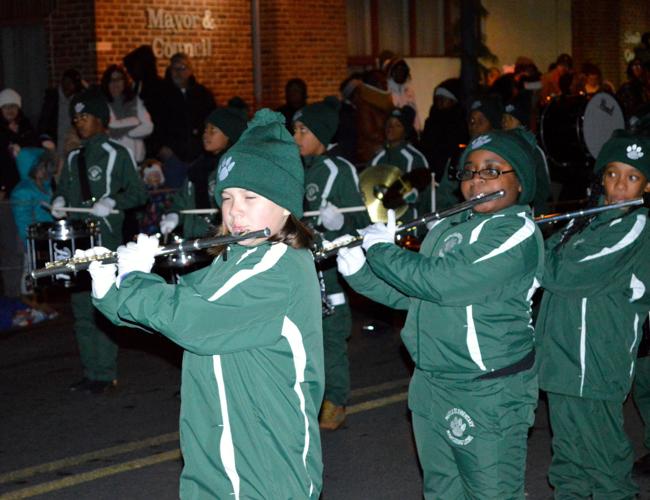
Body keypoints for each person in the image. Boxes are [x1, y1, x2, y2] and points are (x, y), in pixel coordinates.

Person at [85, 109, 324, 499]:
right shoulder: (234, 258)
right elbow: (177, 309)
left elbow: (192, 320)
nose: (236, 210)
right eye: (227, 198)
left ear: (285, 206)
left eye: (250, 197)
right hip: (213, 457)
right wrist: (109, 290)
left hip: (267, 464)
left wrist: (136, 278)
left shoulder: (280, 267)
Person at [336, 128, 543, 498]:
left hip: (485, 387)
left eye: (493, 170)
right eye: (470, 171)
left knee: (492, 493)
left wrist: (383, 251)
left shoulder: (516, 231)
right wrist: (360, 274)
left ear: (520, 182)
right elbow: (416, 295)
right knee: (441, 490)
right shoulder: (449, 226)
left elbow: (441, 282)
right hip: (432, 380)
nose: (478, 179)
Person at [536, 131, 650, 499]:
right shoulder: (583, 220)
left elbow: (564, 274)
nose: (619, 185)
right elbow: (551, 257)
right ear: (601, 176)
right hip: (562, 360)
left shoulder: (637, 226)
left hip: (596, 364)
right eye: (613, 174)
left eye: (632, 177)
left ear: (646, 185)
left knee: (606, 467)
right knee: (568, 463)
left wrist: (533, 249)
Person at [51, 88, 148, 394]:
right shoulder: (74, 157)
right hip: (77, 239)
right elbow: (65, 190)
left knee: (101, 304)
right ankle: (91, 371)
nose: (78, 122)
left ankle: (106, 373)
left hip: (105, 238)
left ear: (101, 120)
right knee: (81, 308)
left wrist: (111, 202)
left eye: (84, 116)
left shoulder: (117, 153)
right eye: (75, 117)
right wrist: (59, 200)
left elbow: (138, 193)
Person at [293, 96, 370, 430]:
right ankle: (308, 396)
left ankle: (335, 400)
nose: (296, 138)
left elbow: (362, 223)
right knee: (302, 338)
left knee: (331, 336)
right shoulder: (299, 169)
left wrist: (340, 225)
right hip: (300, 266)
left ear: (321, 135)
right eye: (294, 130)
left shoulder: (340, 169)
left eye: (302, 131)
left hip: (330, 272)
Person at [160, 106, 248, 239]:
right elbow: (182, 200)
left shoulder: (235, 169)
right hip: (194, 239)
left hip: (221, 241)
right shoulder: (197, 168)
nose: (206, 135)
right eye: (205, 129)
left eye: (213, 130)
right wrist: (174, 214)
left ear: (229, 136)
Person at [370, 106, 433, 220]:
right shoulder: (377, 158)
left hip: (408, 219)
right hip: (382, 219)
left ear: (405, 130)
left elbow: (427, 194)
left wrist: (414, 196)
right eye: (389, 124)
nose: (391, 128)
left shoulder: (414, 158)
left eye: (397, 125)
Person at [157, 53, 216, 165]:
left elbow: (212, 121)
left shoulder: (202, 94)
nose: (178, 72)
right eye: (175, 68)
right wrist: (161, 147)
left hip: (199, 155)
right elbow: (156, 124)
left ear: (190, 71)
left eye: (183, 68)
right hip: (172, 155)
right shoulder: (160, 95)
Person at [9, 147, 54, 294]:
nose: (44, 169)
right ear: (31, 168)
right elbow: (23, 220)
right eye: (40, 166)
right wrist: (31, 243)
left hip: (46, 238)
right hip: (31, 239)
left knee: (43, 272)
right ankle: (29, 303)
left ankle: (40, 304)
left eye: (44, 165)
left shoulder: (45, 186)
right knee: (30, 271)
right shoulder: (23, 190)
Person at [501, 94, 551, 214]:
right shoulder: (500, 148)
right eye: (503, 118)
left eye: (510, 118)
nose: (505, 122)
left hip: (530, 212)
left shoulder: (533, 150)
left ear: (521, 122)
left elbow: (543, 188)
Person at [100, 64, 153, 164]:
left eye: (119, 79)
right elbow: (112, 127)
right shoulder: (102, 104)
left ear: (124, 81)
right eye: (111, 80)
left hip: (137, 160)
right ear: (106, 83)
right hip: (114, 160)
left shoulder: (135, 101)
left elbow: (148, 127)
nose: (115, 83)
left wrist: (129, 133)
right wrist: (136, 121)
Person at [37, 68, 85, 156]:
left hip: (73, 147)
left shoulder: (79, 100)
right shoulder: (52, 99)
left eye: (73, 83)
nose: (71, 86)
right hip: (55, 148)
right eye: (68, 82)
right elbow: (43, 124)